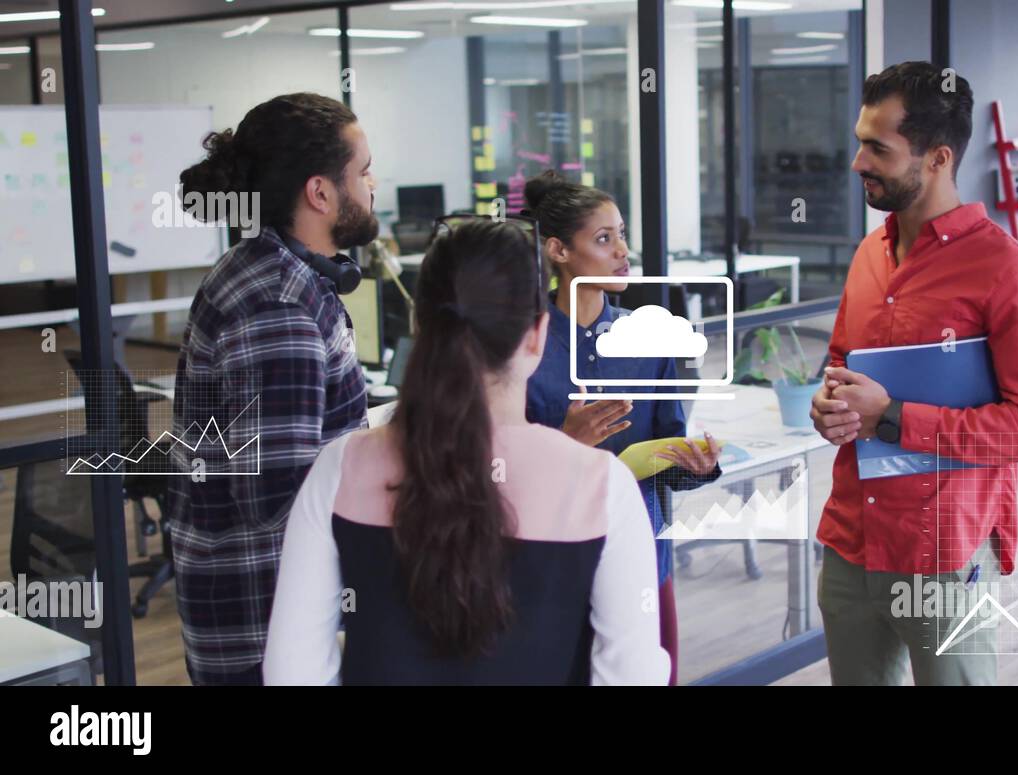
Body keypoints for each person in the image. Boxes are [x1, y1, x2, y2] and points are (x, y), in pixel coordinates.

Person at [263, 217, 669, 685]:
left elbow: (292, 672)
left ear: (420, 324)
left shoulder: (341, 468)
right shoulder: (602, 486)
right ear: (537, 334)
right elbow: (634, 675)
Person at [810, 61, 1018, 685]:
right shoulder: (867, 256)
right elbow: (842, 366)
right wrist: (834, 406)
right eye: (859, 142)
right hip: (851, 542)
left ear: (936, 158)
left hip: (943, 556)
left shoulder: (1008, 272)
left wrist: (895, 418)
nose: (858, 162)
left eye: (877, 148)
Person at [168, 93, 378, 685]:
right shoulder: (278, 306)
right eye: (361, 172)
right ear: (320, 192)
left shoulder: (271, 271)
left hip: (267, 613)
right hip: (266, 626)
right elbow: (275, 496)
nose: (372, 184)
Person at [522, 170, 721, 686]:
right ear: (559, 251)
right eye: (604, 239)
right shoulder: (519, 344)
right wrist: (563, 444)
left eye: (622, 235)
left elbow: (667, 455)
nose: (622, 252)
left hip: (640, 555)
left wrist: (697, 467)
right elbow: (492, 471)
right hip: (547, 561)